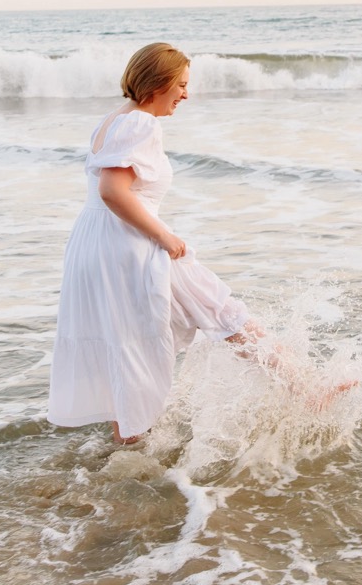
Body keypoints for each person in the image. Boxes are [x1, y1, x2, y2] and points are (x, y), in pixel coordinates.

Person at [48, 42, 260, 444]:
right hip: (130, 244)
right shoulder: (142, 123)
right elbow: (113, 190)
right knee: (222, 310)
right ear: (159, 82)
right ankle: (308, 391)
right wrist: (163, 235)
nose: (186, 94)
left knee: (122, 342)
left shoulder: (113, 119)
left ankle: (128, 446)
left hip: (96, 243)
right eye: (180, 84)